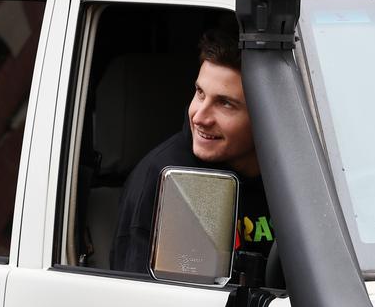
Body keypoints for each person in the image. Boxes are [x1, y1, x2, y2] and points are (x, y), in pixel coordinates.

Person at [110, 29, 274, 274]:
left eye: (225, 103)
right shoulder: (167, 177)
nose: (198, 116)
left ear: (267, 116)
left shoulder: (296, 175)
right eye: (200, 93)